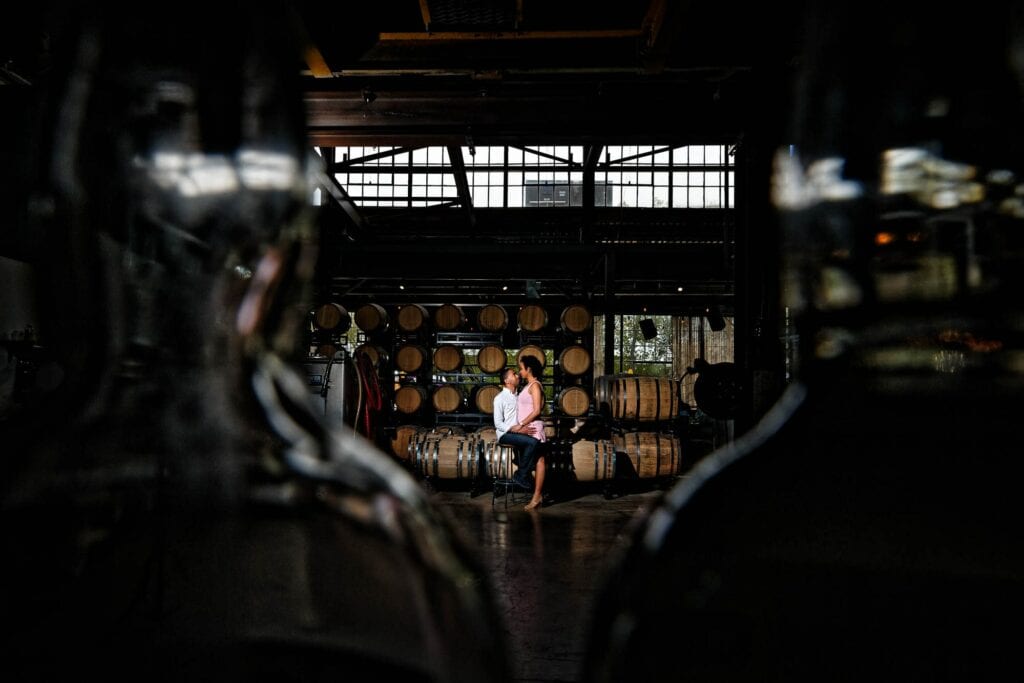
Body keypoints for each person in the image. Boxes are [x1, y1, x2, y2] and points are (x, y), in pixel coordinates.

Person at [493, 366, 541, 494]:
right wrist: (515, 429)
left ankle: (521, 465)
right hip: (505, 434)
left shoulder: (518, 396)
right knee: (532, 442)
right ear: (507, 381)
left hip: (518, 432)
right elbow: (497, 423)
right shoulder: (499, 398)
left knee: (535, 441)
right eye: (514, 374)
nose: (517, 375)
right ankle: (521, 474)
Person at [515, 355, 547, 511]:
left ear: (529, 369)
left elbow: (536, 410)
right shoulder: (528, 385)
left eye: (521, 368)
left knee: (539, 461)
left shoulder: (534, 386)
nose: (520, 372)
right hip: (527, 429)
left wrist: (521, 424)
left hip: (532, 429)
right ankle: (537, 494)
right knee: (536, 461)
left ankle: (537, 496)